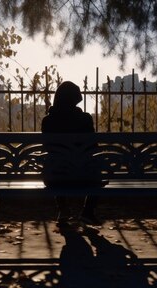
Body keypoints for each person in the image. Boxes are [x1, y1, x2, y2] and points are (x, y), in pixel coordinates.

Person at [41, 81, 102, 225]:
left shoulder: (48, 121)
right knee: (96, 169)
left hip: (55, 177)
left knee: (55, 162)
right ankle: (87, 212)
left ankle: (63, 209)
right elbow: (93, 147)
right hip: (85, 176)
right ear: (76, 99)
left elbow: (47, 148)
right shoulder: (85, 119)